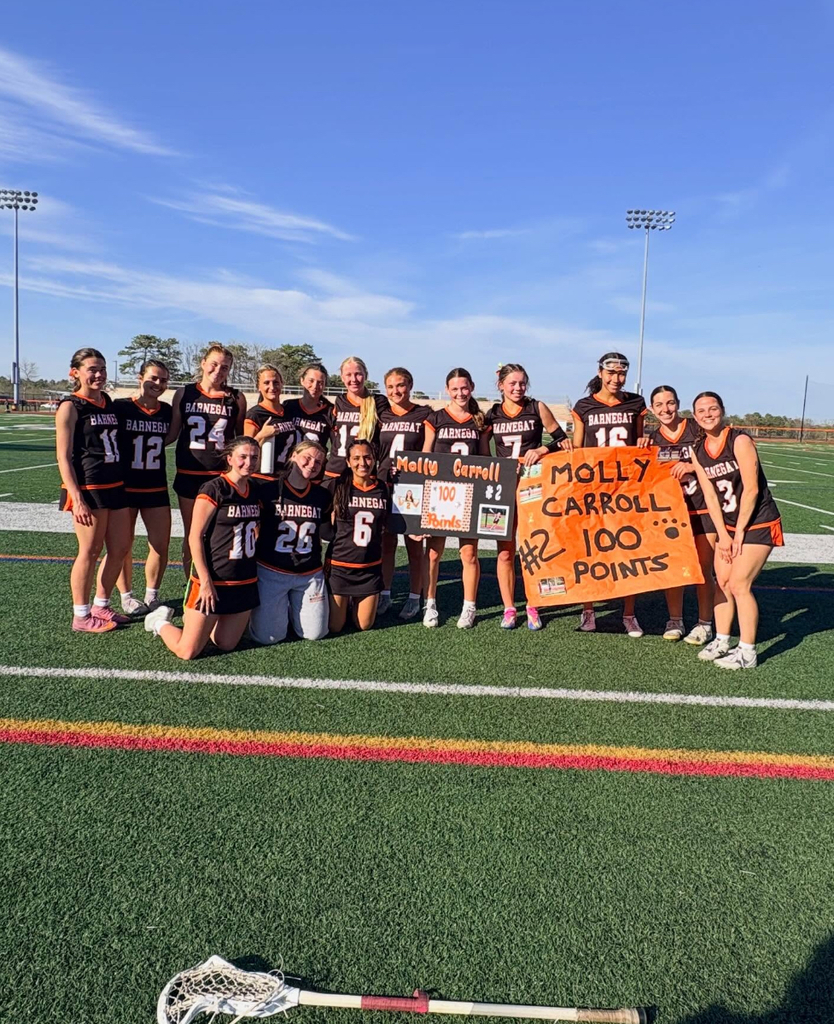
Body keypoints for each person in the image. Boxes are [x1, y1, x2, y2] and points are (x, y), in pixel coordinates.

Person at [688, 392, 783, 669]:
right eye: (701, 410)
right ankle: (722, 639)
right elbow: (710, 495)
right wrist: (724, 534)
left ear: (722, 410)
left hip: (758, 521)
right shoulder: (698, 449)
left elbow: (752, 489)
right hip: (729, 524)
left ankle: (748, 651)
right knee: (723, 582)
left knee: (740, 584)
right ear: (695, 416)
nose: (708, 414)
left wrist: (739, 531)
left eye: (713, 408)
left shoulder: (738, 440)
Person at [144, 436, 262, 658]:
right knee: (187, 651)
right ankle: (159, 622)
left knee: (225, 644)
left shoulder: (255, 490)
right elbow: (194, 537)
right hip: (214, 579)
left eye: (254, 457)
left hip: (244, 580)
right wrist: (206, 582)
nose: (249, 462)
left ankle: (199, 622)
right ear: (230, 458)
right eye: (243, 457)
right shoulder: (214, 488)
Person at [484, 363, 572, 631]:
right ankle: (509, 607)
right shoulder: (493, 414)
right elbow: (478, 447)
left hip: (534, 488)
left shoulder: (537, 407)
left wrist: (543, 451)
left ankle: (534, 603)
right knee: (505, 552)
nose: (518, 388)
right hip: (502, 488)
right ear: (500, 385)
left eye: (522, 383)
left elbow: (562, 440)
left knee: (535, 549)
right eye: (512, 383)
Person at [571, 352, 648, 637]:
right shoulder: (584, 406)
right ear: (601, 373)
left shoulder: (635, 403)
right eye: (612, 373)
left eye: (622, 374)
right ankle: (588, 610)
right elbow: (578, 450)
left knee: (629, 550)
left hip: (626, 489)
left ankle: (629, 614)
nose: (617, 379)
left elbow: (639, 442)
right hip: (593, 488)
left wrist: (643, 442)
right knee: (590, 549)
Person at [55, 348, 132, 632]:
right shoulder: (71, 406)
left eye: (102, 368)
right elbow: (63, 456)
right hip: (89, 486)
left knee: (121, 548)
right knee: (89, 550)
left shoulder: (107, 402)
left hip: (115, 483)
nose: (98, 374)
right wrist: (76, 497)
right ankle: (81, 615)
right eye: (92, 369)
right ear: (75, 372)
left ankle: (101, 604)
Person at [168, 344, 246, 577]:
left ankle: (220, 580)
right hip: (190, 475)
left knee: (220, 532)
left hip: (221, 476)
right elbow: (173, 433)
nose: (218, 370)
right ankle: (193, 584)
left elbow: (239, 438)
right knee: (193, 533)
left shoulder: (236, 398)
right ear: (203, 363)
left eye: (225, 367)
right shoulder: (184, 393)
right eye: (214, 364)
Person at [422, 367, 490, 629]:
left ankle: (469, 606)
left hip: (470, 493)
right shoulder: (436, 418)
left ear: (471, 387)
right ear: (447, 390)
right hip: (441, 493)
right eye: (455, 389)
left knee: (469, 553)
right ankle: (430, 603)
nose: (460, 393)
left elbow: (485, 460)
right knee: (433, 553)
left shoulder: (479, 419)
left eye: (464, 388)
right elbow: (425, 456)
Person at [648, 385, 716, 644]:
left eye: (670, 403)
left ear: (678, 403)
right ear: (653, 409)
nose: (666, 409)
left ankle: (705, 622)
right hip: (671, 513)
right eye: (660, 405)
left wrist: (693, 466)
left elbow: (718, 460)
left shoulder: (697, 431)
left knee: (703, 568)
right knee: (674, 567)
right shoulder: (652, 439)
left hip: (702, 507)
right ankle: (675, 619)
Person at [249, 441, 332, 644]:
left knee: (315, 634)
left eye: (319, 462)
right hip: (271, 570)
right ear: (293, 456)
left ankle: (288, 607)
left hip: (309, 573)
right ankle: (279, 608)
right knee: (268, 637)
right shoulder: (268, 491)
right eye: (308, 457)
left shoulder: (322, 495)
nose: (312, 464)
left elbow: (328, 532)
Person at [113, 359, 173, 616]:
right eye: (153, 378)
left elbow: (170, 437)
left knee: (160, 544)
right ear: (140, 378)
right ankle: (126, 597)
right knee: (122, 546)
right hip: (125, 486)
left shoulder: (168, 411)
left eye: (162, 380)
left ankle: (152, 595)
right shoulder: (121, 407)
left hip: (155, 485)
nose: (157, 384)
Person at [377, 366, 431, 620]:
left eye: (400, 385)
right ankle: (385, 593)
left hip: (412, 486)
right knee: (387, 543)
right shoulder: (381, 414)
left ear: (410, 386)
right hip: (384, 484)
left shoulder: (424, 413)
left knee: (413, 543)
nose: (396, 391)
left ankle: (414, 597)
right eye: (390, 386)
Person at [326, 438, 390, 633]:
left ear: (375, 459)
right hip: (340, 566)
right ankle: (344, 602)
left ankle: (355, 603)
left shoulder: (383, 488)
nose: (362, 463)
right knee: (335, 627)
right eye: (356, 458)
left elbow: (391, 522)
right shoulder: (336, 486)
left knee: (364, 625)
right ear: (347, 461)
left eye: (367, 457)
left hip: (369, 568)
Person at [323, 356, 388, 486]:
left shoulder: (378, 402)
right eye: (348, 375)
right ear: (342, 377)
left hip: (364, 472)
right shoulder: (340, 401)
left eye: (358, 374)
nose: (353, 379)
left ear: (366, 375)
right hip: (335, 471)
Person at [244, 365, 298, 481]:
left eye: (276, 382)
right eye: (266, 383)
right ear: (258, 386)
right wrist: (261, 435)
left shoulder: (289, 411)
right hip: (262, 477)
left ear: (282, 384)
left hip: (286, 476)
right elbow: (244, 449)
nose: (272, 387)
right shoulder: (255, 414)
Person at [283, 362, 333, 452]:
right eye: (311, 381)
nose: (315, 386)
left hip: (314, 463)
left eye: (320, 382)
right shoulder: (288, 406)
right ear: (302, 380)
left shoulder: (330, 411)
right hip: (288, 463)